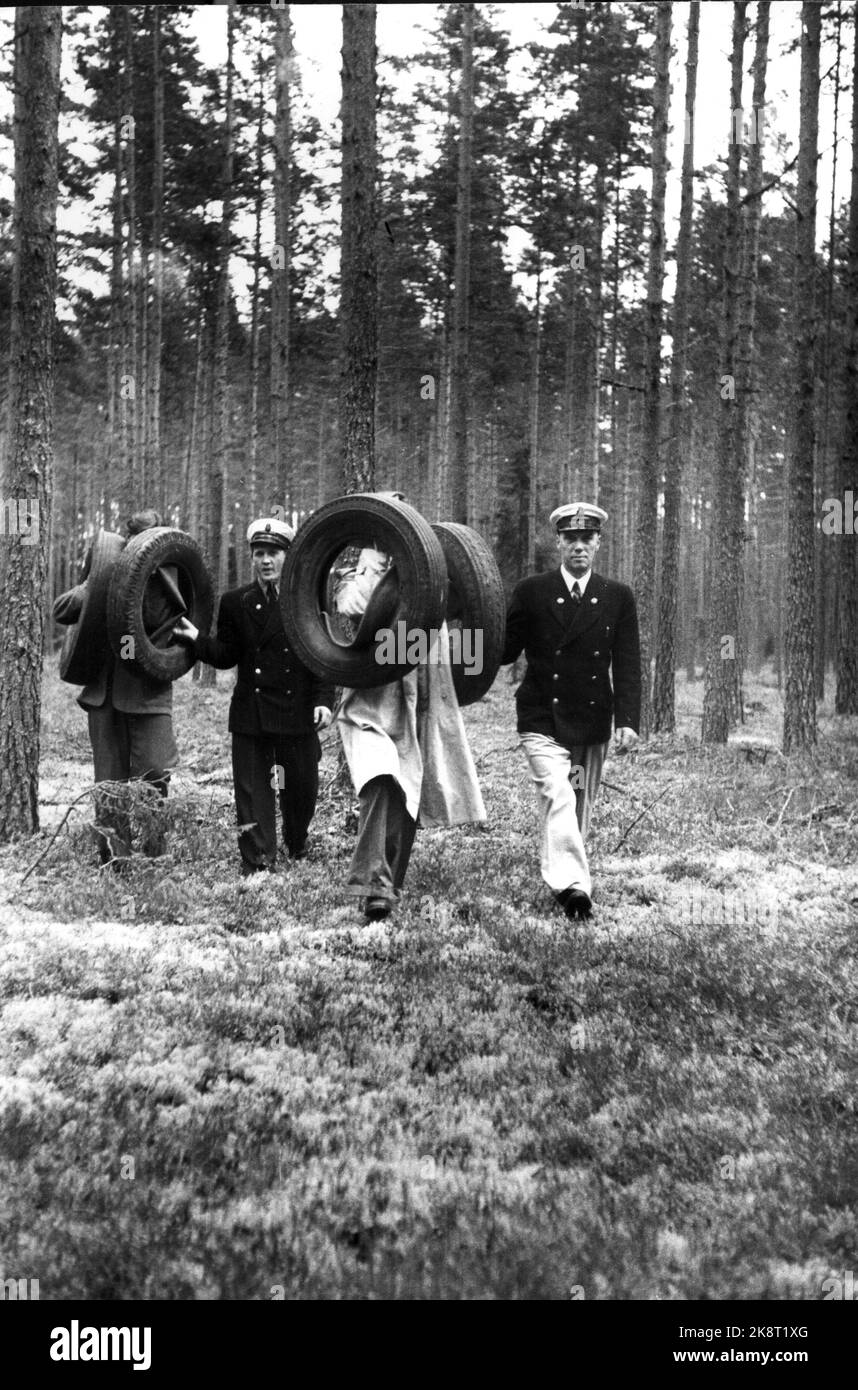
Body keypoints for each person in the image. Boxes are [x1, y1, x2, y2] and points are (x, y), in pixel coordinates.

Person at [333, 522, 486, 921]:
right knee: (379, 780)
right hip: (370, 702)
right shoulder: (358, 577)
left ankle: (387, 888)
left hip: (420, 703)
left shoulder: (433, 580)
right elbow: (351, 604)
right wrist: (377, 581)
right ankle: (373, 883)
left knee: (408, 796)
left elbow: (468, 627)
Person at [502, 502, 641, 921]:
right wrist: (466, 631)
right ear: (558, 543)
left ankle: (564, 876)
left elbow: (628, 661)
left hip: (592, 719)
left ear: (598, 543)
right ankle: (575, 888)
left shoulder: (618, 596)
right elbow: (505, 650)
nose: (578, 546)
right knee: (558, 793)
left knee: (576, 804)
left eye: (587, 539)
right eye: (570, 539)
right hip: (542, 717)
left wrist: (629, 720)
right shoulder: (532, 591)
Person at [174, 517, 334, 876]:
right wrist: (196, 638)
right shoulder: (234, 602)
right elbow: (227, 654)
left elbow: (322, 656)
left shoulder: (306, 599)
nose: (265, 560)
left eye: (273, 553)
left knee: (302, 790)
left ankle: (296, 841)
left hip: (298, 710)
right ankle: (258, 860)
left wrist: (325, 700)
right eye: (259, 553)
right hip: (252, 712)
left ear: (288, 557)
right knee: (252, 792)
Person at [52, 508, 177, 867]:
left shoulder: (168, 577)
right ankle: (114, 861)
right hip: (104, 696)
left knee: (155, 773)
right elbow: (62, 610)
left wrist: (145, 575)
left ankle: (154, 856)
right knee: (108, 785)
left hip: (148, 694)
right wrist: (100, 580)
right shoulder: (104, 571)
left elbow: (153, 616)